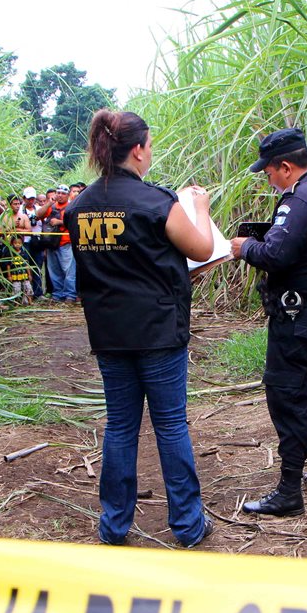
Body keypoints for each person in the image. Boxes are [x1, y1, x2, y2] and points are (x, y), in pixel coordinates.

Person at [64, 108, 215, 547]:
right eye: (148, 145)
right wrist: (200, 208)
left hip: (110, 333)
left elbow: (112, 263)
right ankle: (187, 526)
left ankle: (113, 526)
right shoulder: (156, 202)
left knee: (120, 426)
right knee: (170, 425)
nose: (150, 153)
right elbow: (202, 247)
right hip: (157, 331)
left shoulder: (79, 208)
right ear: (136, 150)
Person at [229, 127, 307, 516]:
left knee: (288, 396)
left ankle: (288, 490)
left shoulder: (298, 200)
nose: (268, 179)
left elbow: (278, 256)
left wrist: (245, 246)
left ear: (285, 166)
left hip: (296, 318)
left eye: (268, 172)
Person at [36, 184, 77, 302]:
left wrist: (59, 222)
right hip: (51, 244)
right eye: (58, 192)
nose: (60, 195)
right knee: (54, 271)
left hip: (66, 243)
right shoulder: (52, 206)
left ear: (68, 195)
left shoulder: (71, 207)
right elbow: (38, 215)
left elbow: (75, 222)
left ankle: (70, 295)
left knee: (68, 271)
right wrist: (49, 203)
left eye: (63, 193)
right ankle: (57, 294)